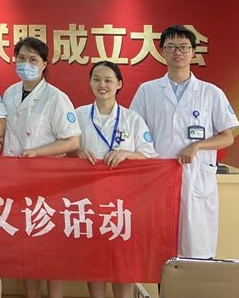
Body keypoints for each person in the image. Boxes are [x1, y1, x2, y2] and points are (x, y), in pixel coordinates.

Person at [130, 24, 239, 259]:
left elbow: (227, 137)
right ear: (162, 52)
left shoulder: (211, 93)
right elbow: (134, 133)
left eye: (183, 47)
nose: (177, 52)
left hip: (196, 175)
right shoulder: (147, 91)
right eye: (171, 47)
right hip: (158, 177)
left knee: (196, 244)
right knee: (160, 245)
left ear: (193, 52)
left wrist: (197, 145)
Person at [1, 36, 80, 298]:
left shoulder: (56, 97)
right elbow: (9, 131)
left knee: (51, 247)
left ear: (44, 64)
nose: (26, 64)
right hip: (15, 180)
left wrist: (38, 152)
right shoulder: (10, 93)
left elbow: (72, 141)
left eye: (33, 60)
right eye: (21, 58)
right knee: (26, 246)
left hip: (48, 182)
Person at [74, 61, 156, 298]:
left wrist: (127, 154)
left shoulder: (132, 119)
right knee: (94, 259)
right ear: (90, 83)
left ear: (119, 84)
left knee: (122, 261)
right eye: (97, 79)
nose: (102, 85)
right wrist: (77, 152)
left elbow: (150, 156)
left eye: (108, 80)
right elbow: (65, 149)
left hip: (124, 202)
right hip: (88, 200)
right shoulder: (78, 115)